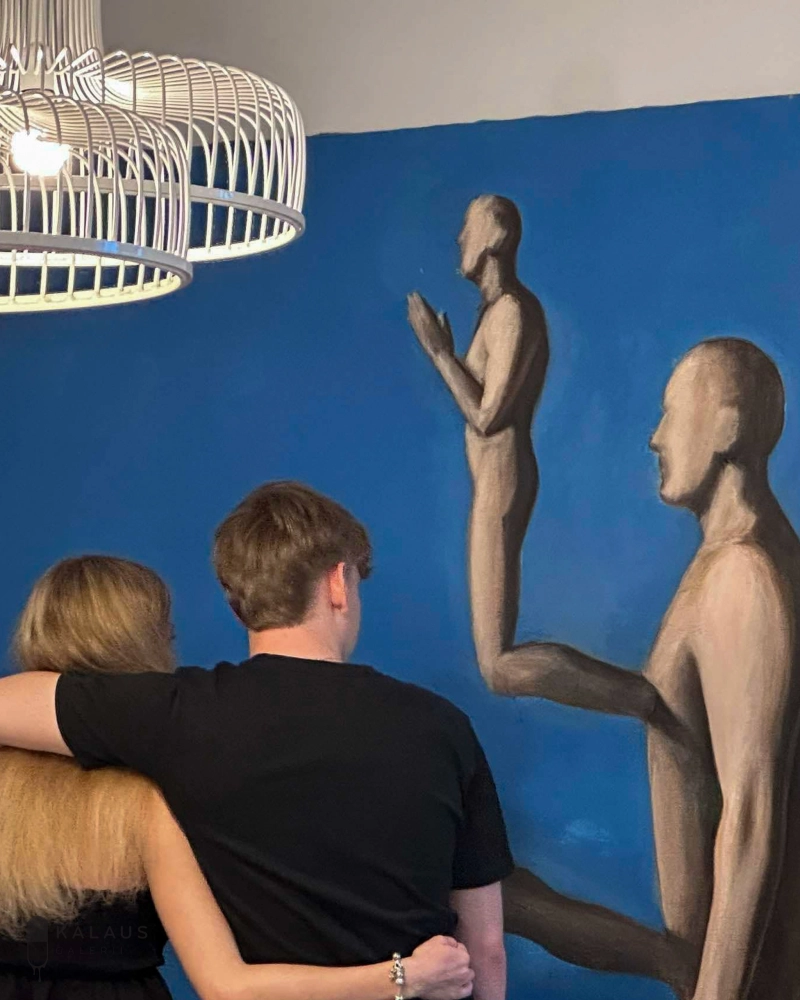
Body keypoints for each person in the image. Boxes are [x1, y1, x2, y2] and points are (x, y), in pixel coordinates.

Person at [0, 484, 512, 1000]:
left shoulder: (175, 714)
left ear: (238, 603)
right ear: (338, 583)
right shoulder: (443, 726)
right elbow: (486, 946)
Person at [407, 194, 656, 721]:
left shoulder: (514, 312)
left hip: (503, 479)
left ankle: (643, 698)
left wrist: (439, 352)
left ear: (492, 240)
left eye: (468, 228)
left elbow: (488, 416)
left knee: (498, 666)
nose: (459, 238)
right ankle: (641, 697)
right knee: (495, 665)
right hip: (494, 480)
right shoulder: (498, 313)